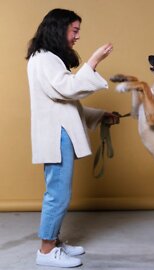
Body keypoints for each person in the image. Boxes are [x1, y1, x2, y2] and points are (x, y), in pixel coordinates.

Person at [26, 8, 119, 267]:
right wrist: (93, 62)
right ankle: (45, 252)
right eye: (74, 30)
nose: (77, 36)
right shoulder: (43, 59)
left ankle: (53, 242)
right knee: (57, 194)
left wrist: (101, 115)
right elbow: (68, 90)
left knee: (58, 192)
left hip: (60, 133)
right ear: (59, 28)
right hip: (56, 137)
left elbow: (65, 105)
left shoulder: (50, 58)